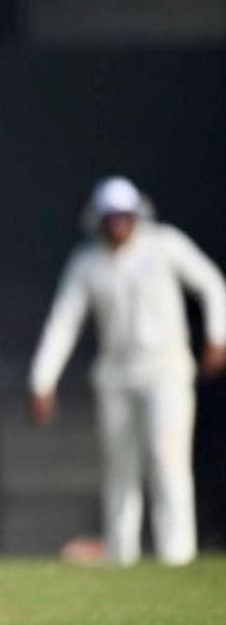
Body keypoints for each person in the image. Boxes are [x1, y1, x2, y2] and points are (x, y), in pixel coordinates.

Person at [29, 176, 226, 567]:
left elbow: (211, 283)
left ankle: (177, 557)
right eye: (111, 217)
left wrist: (218, 336)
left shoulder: (165, 245)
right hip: (115, 376)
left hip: (166, 369)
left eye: (124, 215)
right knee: (120, 469)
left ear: (136, 215)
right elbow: (64, 322)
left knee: (168, 462)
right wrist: (42, 380)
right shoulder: (87, 262)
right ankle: (121, 558)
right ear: (99, 219)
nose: (118, 223)